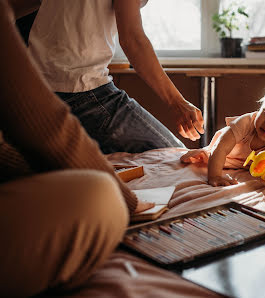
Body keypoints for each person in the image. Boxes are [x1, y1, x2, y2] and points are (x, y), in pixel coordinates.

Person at [0, 1, 155, 295]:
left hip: (89, 86)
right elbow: (43, 124)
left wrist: (39, 169)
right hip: (87, 90)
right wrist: (128, 201)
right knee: (98, 193)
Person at [12, 0, 204, 154]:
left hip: (36, 88)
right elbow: (132, 39)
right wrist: (177, 102)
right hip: (83, 88)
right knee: (178, 159)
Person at [181, 82, 265, 191]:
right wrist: (215, 176)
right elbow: (221, 148)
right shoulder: (245, 123)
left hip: (244, 165)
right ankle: (205, 153)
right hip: (223, 155)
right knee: (206, 156)